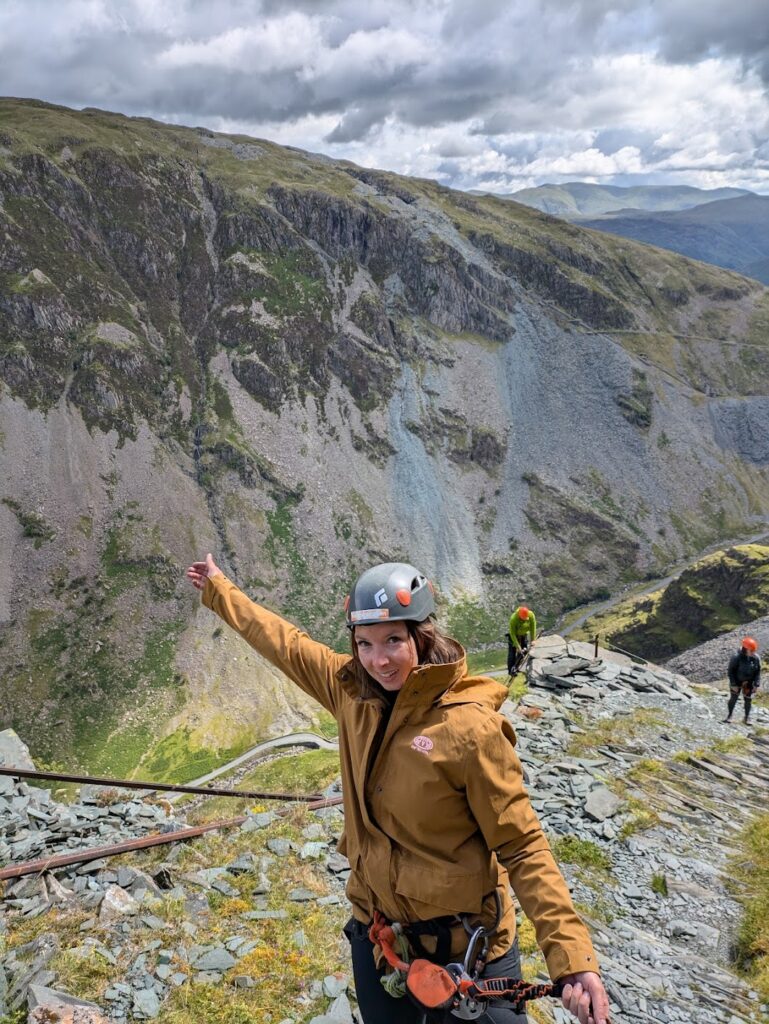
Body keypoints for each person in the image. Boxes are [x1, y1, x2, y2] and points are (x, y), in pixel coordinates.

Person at [187, 556, 610, 1024]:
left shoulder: (470, 729)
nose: (379, 659)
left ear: (421, 636)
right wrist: (219, 589)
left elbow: (523, 846)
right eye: (364, 643)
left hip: (469, 957)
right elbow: (284, 643)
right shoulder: (350, 692)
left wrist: (572, 962)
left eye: (393, 640)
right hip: (382, 943)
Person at [724, 636, 761, 725]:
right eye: (751, 651)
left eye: (754, 651)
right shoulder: (736, 657)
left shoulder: (756, 658)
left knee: (748, 700)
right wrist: (733, 684)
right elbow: (730, 671)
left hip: (748, 682)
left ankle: (747, 717)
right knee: (734, 698)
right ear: (746, 649)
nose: (753, 653)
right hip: (736, 681)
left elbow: (758, 671)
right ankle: (729, 715)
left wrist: (756, 684)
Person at [507, 606, 537, 676]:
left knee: (523, 652)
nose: (525, 620)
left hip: (523, 635)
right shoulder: (513, 619)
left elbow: (533, 627)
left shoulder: (531, 615)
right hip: (514, 637)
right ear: (520, 616)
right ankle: (511, 670)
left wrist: (533, 640)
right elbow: (512, 633)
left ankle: (517, 667)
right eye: (523, 619)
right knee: (512, 653)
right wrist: (517, 646)